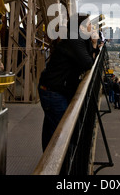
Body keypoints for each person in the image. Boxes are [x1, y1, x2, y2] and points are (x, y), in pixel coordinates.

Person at [38, 13, 100, 151]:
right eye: (89, 24)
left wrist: (93, 44)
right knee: (63, 132)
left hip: (53, 89)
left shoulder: (77, 39)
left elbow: (88, 58)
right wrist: (94, 43)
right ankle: (58, 165)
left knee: (52, 128)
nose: (92, 26)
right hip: (53, 92)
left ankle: (49, 162)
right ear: (82, 28)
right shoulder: (74, 40)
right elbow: (88, 62)